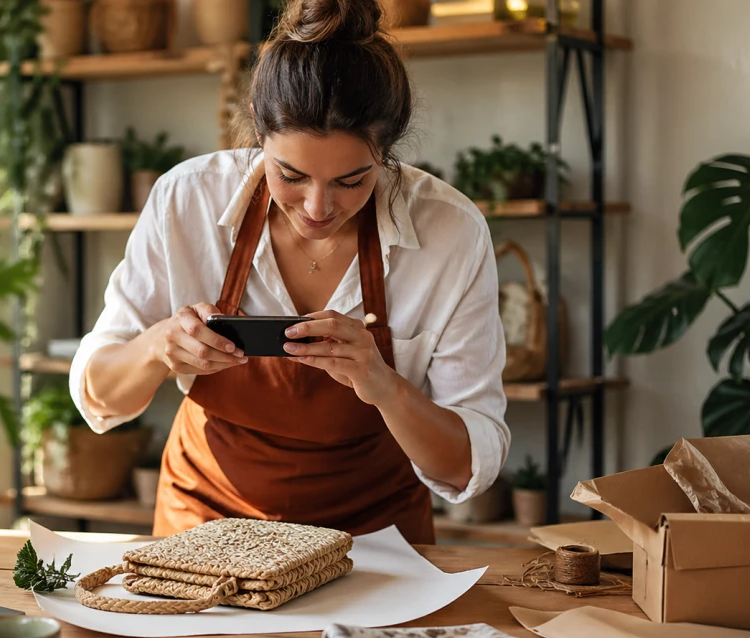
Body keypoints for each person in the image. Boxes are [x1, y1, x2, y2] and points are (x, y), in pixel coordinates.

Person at [68, 0, 509, 544]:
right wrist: (160, 346)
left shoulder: (451, 233)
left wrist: (384, 386)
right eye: (290, 175)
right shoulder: (187, 201)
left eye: (352, 181)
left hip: (372, 539)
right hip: (205, 523)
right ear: (257, 124)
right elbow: (101, 396)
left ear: (388, 151)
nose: (318, 208)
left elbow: (467, 466)